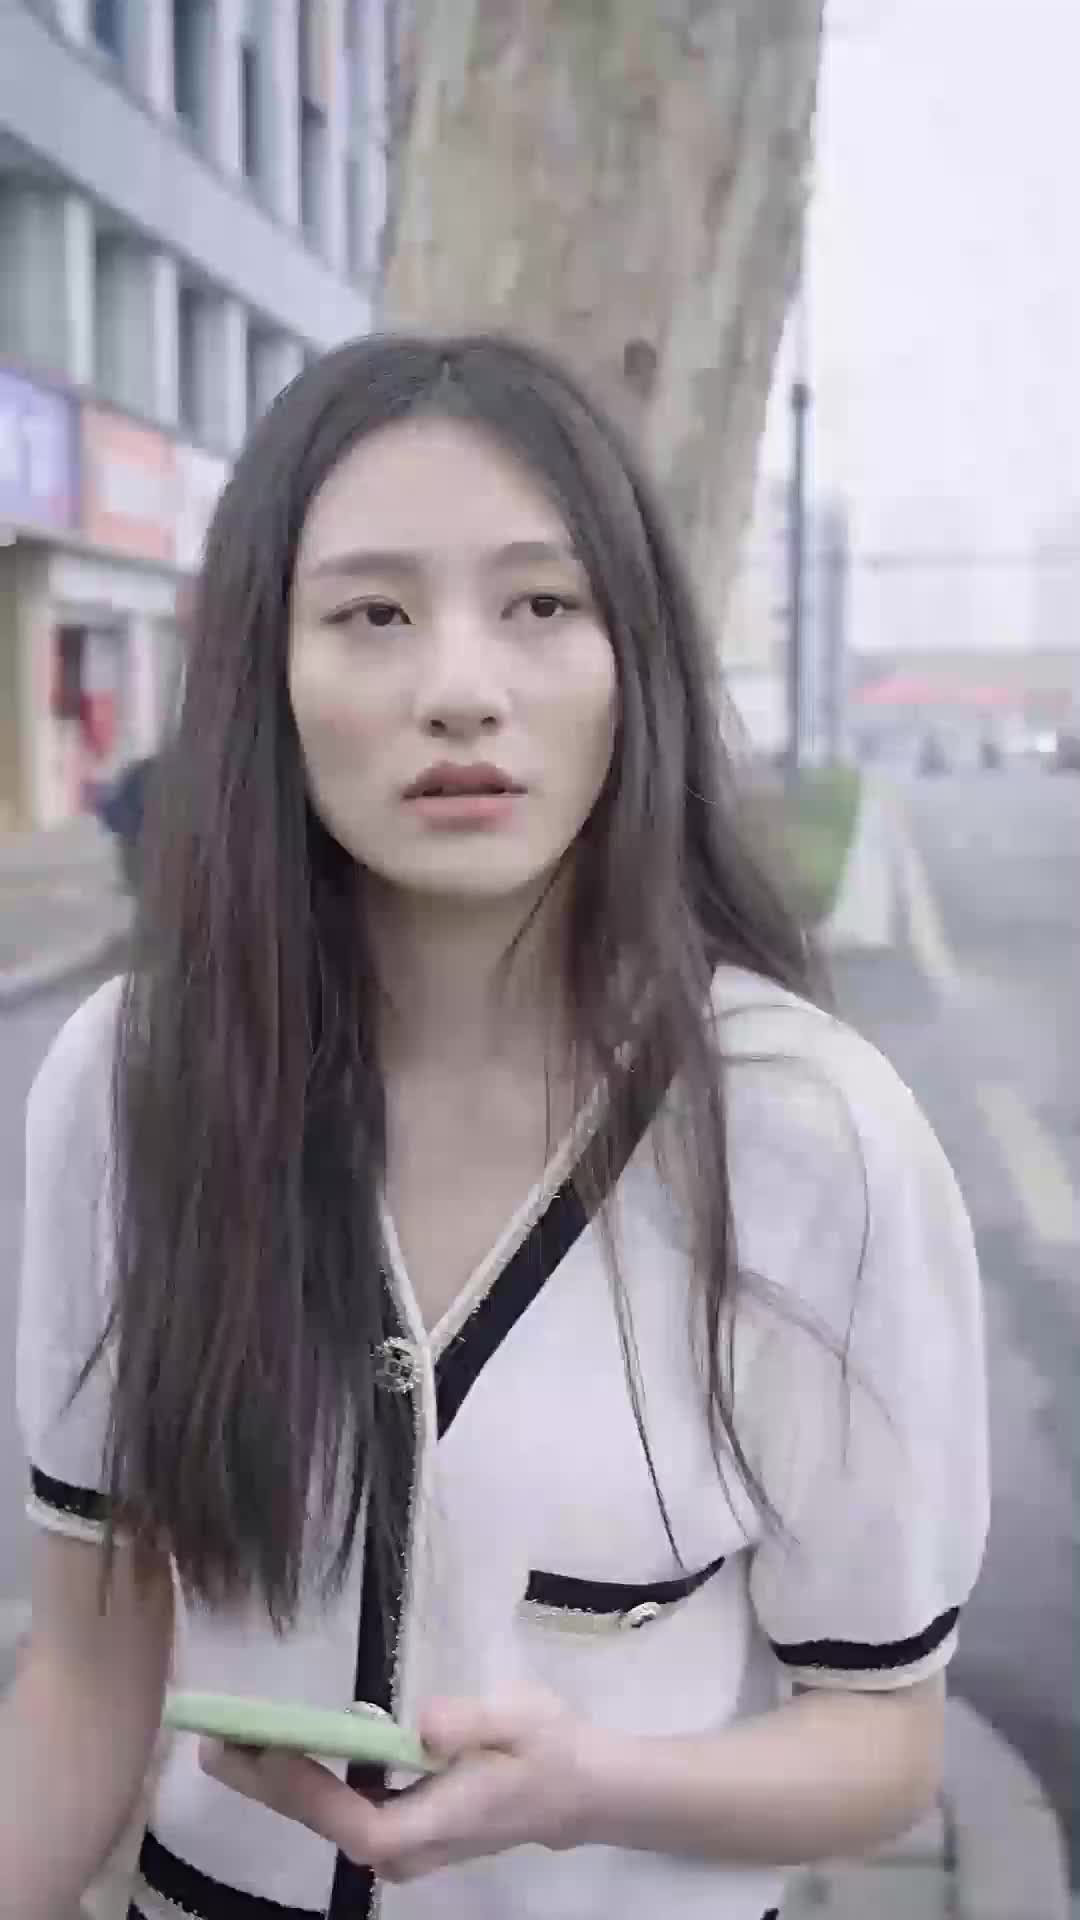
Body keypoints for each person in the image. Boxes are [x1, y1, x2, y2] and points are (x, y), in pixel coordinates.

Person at [2, 335, 988, 1920]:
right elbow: (83, 1680)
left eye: (539, 605)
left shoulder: (812, 1137)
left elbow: (882, 1739)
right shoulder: (133, 1083)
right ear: (266, 675)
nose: (461, 689)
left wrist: (591, 1787)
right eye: (373, 615)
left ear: (635, 661)